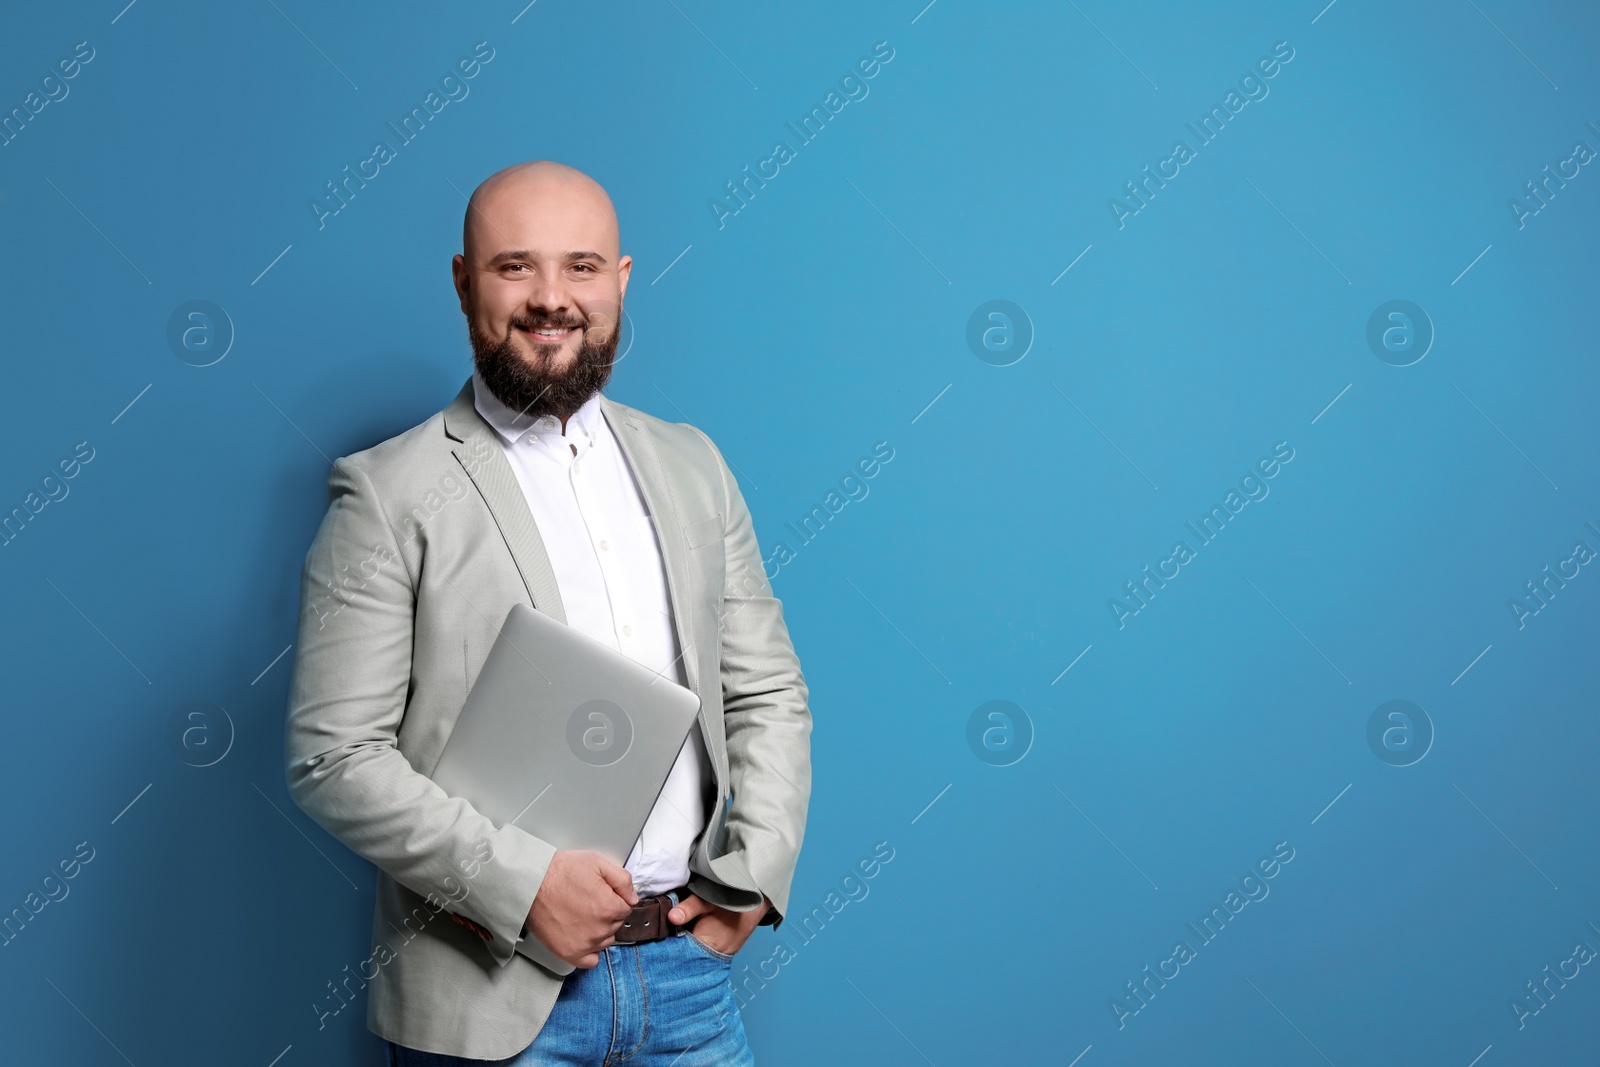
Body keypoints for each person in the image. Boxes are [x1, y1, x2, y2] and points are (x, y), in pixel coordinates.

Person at [285, 160, 812, 1064]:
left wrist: (754, 875)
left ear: (621, 279)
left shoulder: (693, 465)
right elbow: (332, 756)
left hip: (688, 986)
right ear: (463, 282)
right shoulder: (386, 492)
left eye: (581, 266)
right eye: (515, 267)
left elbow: (764, 688)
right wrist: (523, 885)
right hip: (487, 1003)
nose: (551, 298)